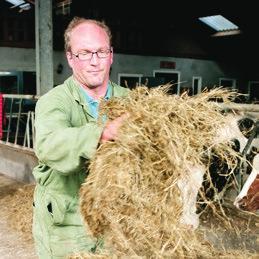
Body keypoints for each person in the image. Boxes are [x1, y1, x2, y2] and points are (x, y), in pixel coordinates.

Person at [32, 17, 129, 258]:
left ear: (111, 55)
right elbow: (48, 145)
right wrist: (101, 134)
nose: (95, 61)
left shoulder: (132, 101)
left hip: (118, 218)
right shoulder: (54, 102)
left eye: (101, 51)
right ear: (70, 58)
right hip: (68, 220)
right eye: (84, 53)